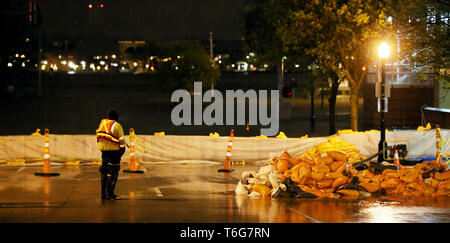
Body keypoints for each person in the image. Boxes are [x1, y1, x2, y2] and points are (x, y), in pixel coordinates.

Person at [96, 109, 126, 200]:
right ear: (116, 117)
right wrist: (122, 151)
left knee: (104, 171)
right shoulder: (117, 125)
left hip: (104, 152)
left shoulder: (103, 123)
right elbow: (121, 139)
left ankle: (103, 194)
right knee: (114, 172)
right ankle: (110, 194)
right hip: (114, 152)